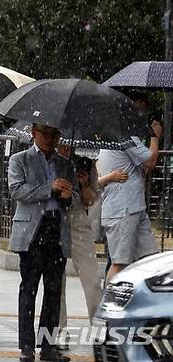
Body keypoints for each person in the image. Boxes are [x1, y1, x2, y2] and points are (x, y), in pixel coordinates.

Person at [8, 123, 74, 362]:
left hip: (57, 228)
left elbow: (73, 197)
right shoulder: (20, 159)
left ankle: (48, 346)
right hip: (33, 231)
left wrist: (68, 196)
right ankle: (26, 346)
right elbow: (17, 191)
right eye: (45, 134)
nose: (49, 139)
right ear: (34, 133)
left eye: (54, 134)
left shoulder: (66, 163)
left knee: (54, 291)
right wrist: (50, 189)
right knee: (29, 288)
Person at [97, 119, 162, 283]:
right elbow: (151, 160)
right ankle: (110, 305)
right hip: (123, 210)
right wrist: (155, 136)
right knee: (120, 263)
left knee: (150, 259)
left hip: (134, 208)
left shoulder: (113, 136)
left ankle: (141, 303)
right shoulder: (124, 137)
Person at [56, 146, 102, 347]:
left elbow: (91, 199)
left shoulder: (85, 162)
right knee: (57, 282)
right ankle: (59, 330)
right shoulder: (49, 161)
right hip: (55, 220)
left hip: (77, 220)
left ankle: (100, 327)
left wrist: (82, 184)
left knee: (91, 279)